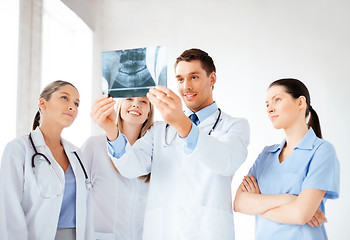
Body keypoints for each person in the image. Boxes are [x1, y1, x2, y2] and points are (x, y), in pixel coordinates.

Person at [93, 48, 250, 239]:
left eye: (194, 77)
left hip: (208, 231)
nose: (186, 87)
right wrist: (111, 130)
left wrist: (181, 123)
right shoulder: (160, 130)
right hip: (163, 231)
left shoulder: (235, 126)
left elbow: (226, 162)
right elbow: (131, 167)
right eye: (180, 79)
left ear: (212, 79)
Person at [234, 78, 340, 240]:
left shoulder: (321, 151)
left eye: (277, 99)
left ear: (300, 103)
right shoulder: (266, 155)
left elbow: (299, 214)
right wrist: (289, 199)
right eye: (267, 104)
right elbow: (240, 203)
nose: (270, 108)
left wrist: (258, 204)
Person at [0, 80, 93, 240]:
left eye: (77, 103)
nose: (72, 106)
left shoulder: (76, 154)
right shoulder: (18, 149)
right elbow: (8, 210)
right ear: (43, 103)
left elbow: (87, 210)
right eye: (64, 98)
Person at [81, 96, 154, 239]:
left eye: (143, 101)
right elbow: (76, 195)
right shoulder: (94, 146)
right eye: (129, 99)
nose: (136, 104)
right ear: (119, 106)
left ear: (149, 114)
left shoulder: (155, 151)